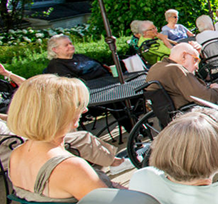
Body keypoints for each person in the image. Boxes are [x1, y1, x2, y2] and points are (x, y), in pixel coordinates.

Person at [0, 64, 133, 176]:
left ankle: (92, 159)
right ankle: (115, 163)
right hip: (24, 147)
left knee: (65, 121)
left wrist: (7, 73)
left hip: (24, 136)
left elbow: (31, 89)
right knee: (81, 136)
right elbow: (16, 138)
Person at [7, 75, 121, 202]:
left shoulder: (16, 155)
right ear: (57, 113)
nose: (84, 110)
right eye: (78, 104)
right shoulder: (70, 167)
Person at [145, 43, 218, 120]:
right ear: (183, 56)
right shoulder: (176, 70)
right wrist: (217, 88)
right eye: (195, 60)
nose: (197, 66)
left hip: (184, 108)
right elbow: (207, 98)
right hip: (197, 113)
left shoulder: (159, 66)